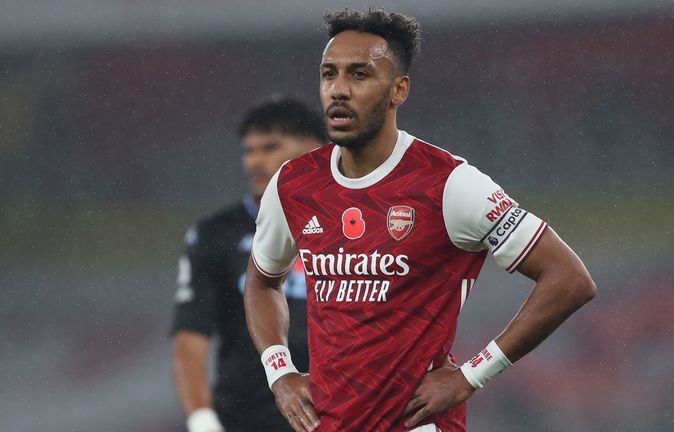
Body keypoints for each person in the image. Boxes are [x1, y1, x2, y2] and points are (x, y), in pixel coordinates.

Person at [244, 8, 597, 432]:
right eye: (328, 74)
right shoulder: (294, 184)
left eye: (359, 75)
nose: (338, 90)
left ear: (398, 90)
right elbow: (263, 280)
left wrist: (470, 376)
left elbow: (569, 279)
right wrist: (279, 372)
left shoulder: (450, 185)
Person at [170, 97, 327, 432]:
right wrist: (202, 421)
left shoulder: (353, 225)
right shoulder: (216, 235)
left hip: (346, 416)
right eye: (248, 150)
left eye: (270, 147)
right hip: (246, 420)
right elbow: (190, 338)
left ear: (315, 149)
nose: (255, 161)